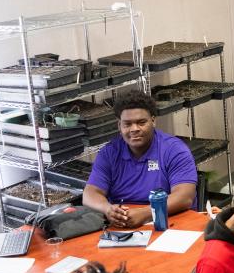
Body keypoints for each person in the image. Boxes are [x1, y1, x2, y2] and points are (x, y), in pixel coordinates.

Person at [83, 90, 197, 229]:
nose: (134, 129)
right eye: (127, 124)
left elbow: (185, 197)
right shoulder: (109, 153)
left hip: (168, 222)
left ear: (153, 121)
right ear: (119, 126)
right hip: (123, 224)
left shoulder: (174, 150)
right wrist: (108, 209)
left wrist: (145, 213)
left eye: (141, 122)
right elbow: (90, 194)